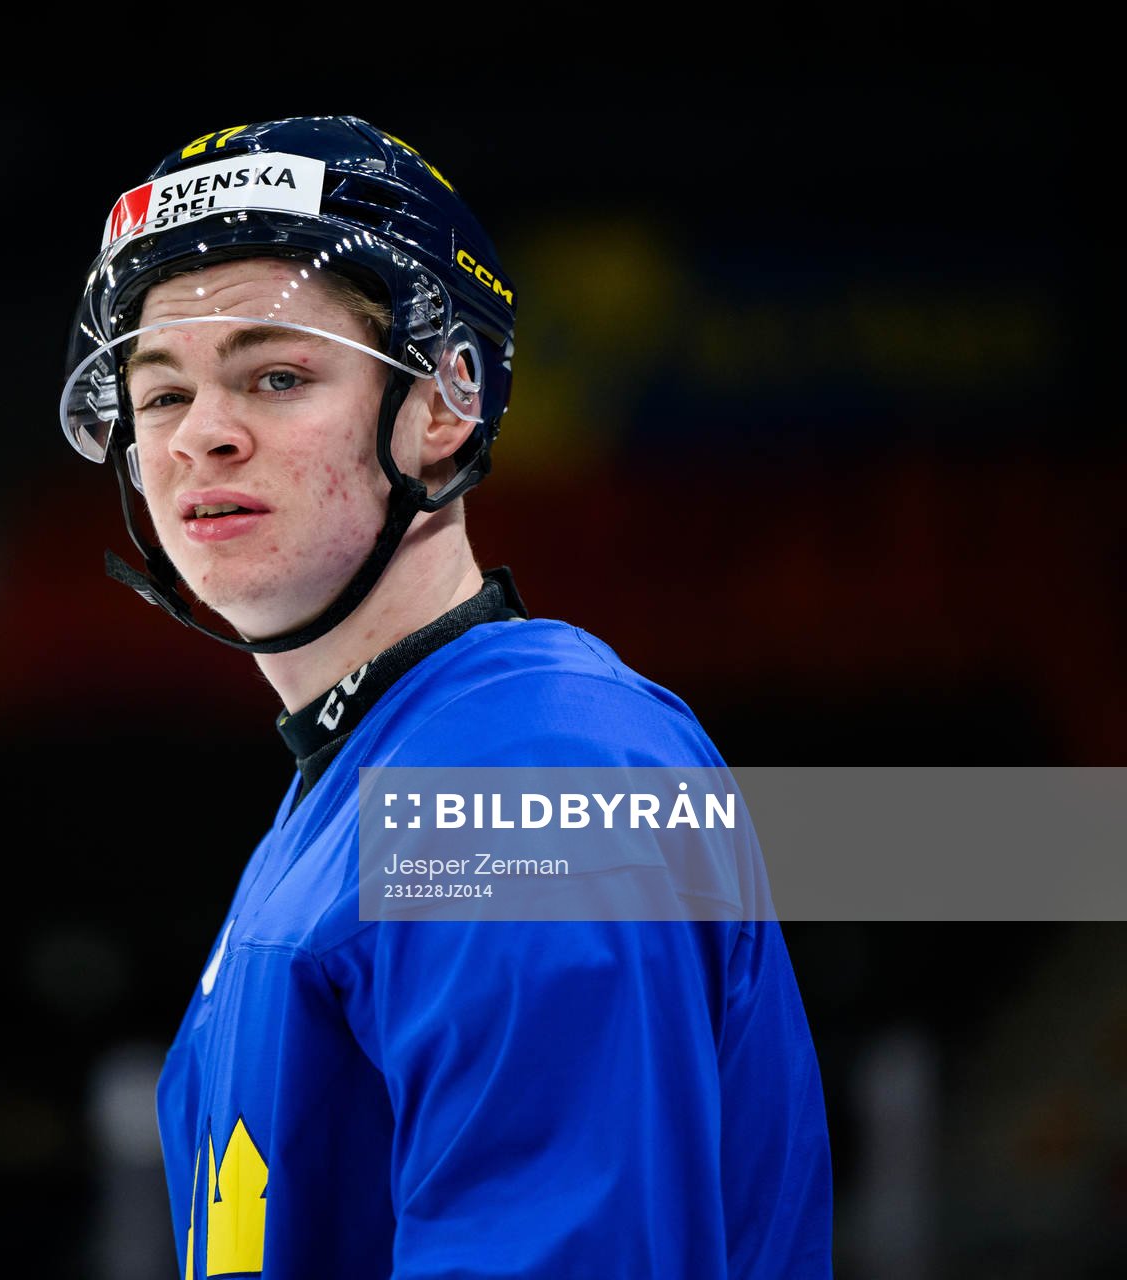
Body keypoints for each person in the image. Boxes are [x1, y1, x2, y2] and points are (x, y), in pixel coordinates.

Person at [59, 115, 832, 1278]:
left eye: (276, 375)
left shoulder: (525, 778)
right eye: (160, 395)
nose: (201, 436)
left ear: (445, 402)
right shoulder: (371, 778)